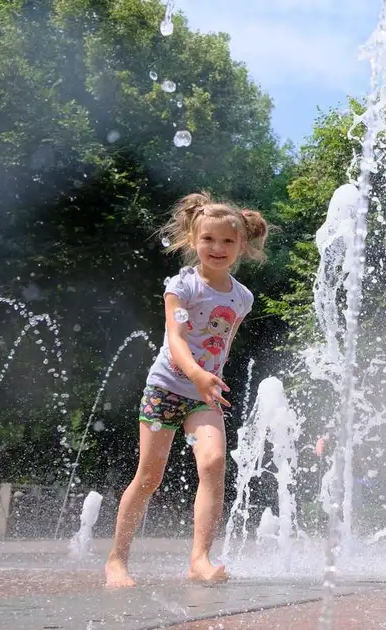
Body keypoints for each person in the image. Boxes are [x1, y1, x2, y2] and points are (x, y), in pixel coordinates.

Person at [105, 193, 269, 588]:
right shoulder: (182, 285)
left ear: (241, 245)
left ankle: (199, 559)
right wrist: (196, 373)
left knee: (213, 465)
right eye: (209, 239)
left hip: (203, 395)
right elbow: (175, 338)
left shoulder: (241, 297)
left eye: (228, 241)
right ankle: (116, 560)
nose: (218, 248)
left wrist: (206, 378)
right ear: (194, 240)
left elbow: (221, 342)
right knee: (149, 477)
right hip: (167, 388)